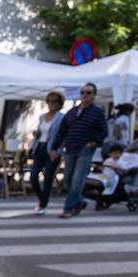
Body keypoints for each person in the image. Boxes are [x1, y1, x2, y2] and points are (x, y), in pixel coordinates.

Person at [50, 82, 108, 218]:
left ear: (93, 95)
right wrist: (54, 148)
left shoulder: (97, 111)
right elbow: (62, 131)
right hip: (70, 148)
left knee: (77, 180)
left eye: (88, 93)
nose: (84, 95)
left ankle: (68, 209)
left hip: (85, 149)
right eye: (82, 92)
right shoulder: (72, 112)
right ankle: (80, 201)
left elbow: (104, 131)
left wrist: (94, 142)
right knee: (68, 180)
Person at [27, 91, 65, 215]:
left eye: (54, 101)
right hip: (40, 148)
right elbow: (42, 131)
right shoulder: (42, 116)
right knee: (33, 177)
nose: (50, 104)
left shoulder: (61, 118)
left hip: (52, 150)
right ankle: (42, 198)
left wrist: (58, 151)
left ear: (59, 103)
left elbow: (62, 136)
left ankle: (42, 204)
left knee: (48, 178)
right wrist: (36, 133)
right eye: (49, 101)